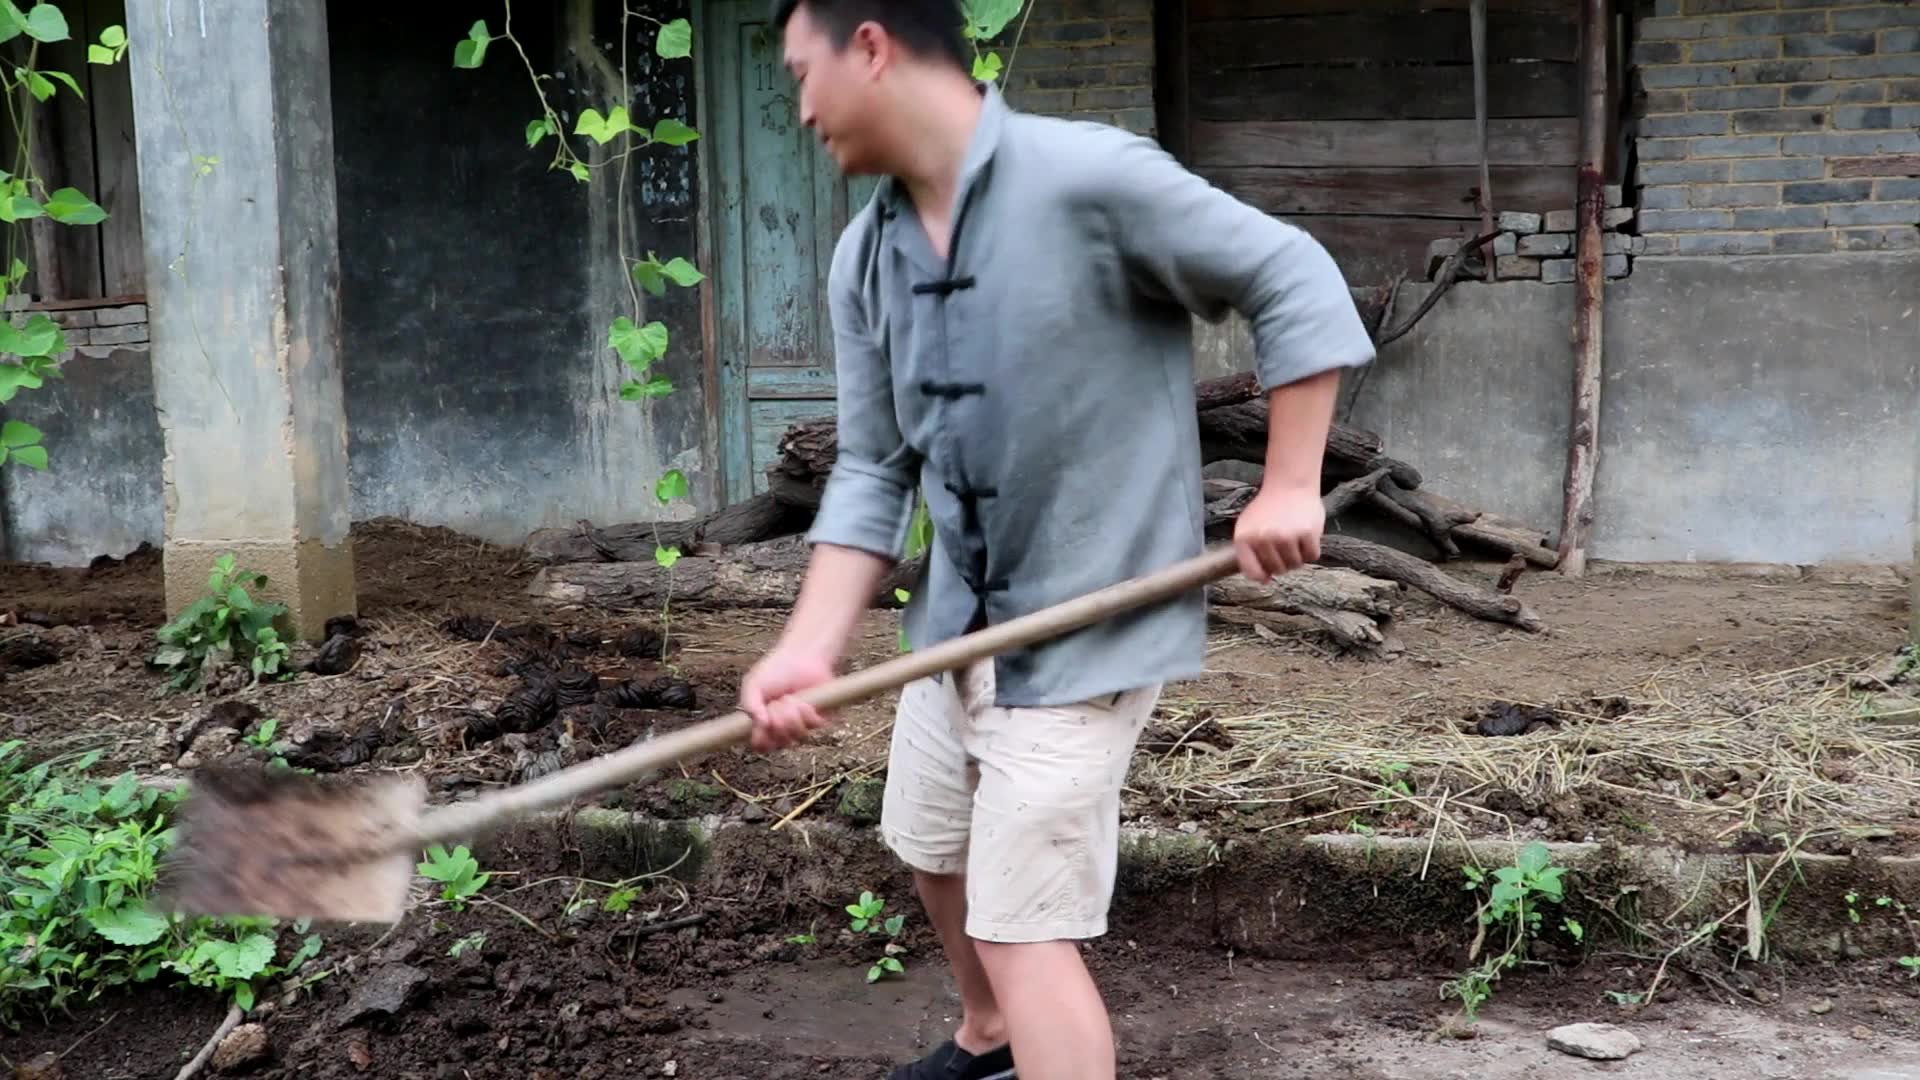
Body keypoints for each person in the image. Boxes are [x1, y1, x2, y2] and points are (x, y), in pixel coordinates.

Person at [738, 0, 1376, 1076]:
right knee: (931, 850)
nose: (800, 109)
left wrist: (1290, 481)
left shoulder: (1088, 180)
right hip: (957, 625)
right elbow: (873, 470)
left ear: (872, 47)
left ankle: (1023, 1024)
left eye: (805, 74)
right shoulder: (865, 257)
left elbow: (1292, 273)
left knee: (1020, 926)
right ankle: (989, 1040)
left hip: (1091, 624)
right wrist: (809, 646)